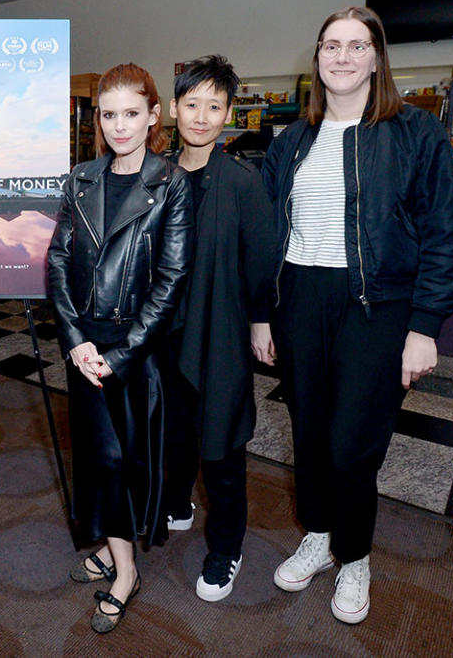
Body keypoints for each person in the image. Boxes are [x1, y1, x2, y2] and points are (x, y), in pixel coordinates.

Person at [262, 7, 453, 624]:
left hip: (377, 306)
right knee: (311, 433)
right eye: (331, 45)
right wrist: (260, 314)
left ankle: (354, 556)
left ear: (377, 58)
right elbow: (271, 235)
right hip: (300, 300)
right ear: (317, 56)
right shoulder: (291, 140)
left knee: (353, 444)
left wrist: (426, 326)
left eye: (357, 45)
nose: (342, 56)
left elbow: (443, 235)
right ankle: (320, 533)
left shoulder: (417, 133)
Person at [47, 63, 192, 634]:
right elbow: (57, 262)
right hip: (86, 349)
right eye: (109, 115)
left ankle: (122, 566)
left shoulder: (169, 182)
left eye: (131, 113)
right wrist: (76, 340)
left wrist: (123, 353)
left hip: (139, 351)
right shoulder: (80, 178)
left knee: (127, 461)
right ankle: (120, 561)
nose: (119, 126)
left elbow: (173, 276)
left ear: (154, 115)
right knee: (98, 459)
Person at [161, 55, 277, 602]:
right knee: (170, 431)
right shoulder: (154, 175)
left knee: (221, 444)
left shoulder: (242, 183)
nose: (202, 116)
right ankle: (178, 503)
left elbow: (262, 262)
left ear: (230, 112)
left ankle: (227, 544)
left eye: (214, 105)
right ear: (174, 108)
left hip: (220, 332)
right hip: (161, 335)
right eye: (192, 104)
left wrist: (260, 321)